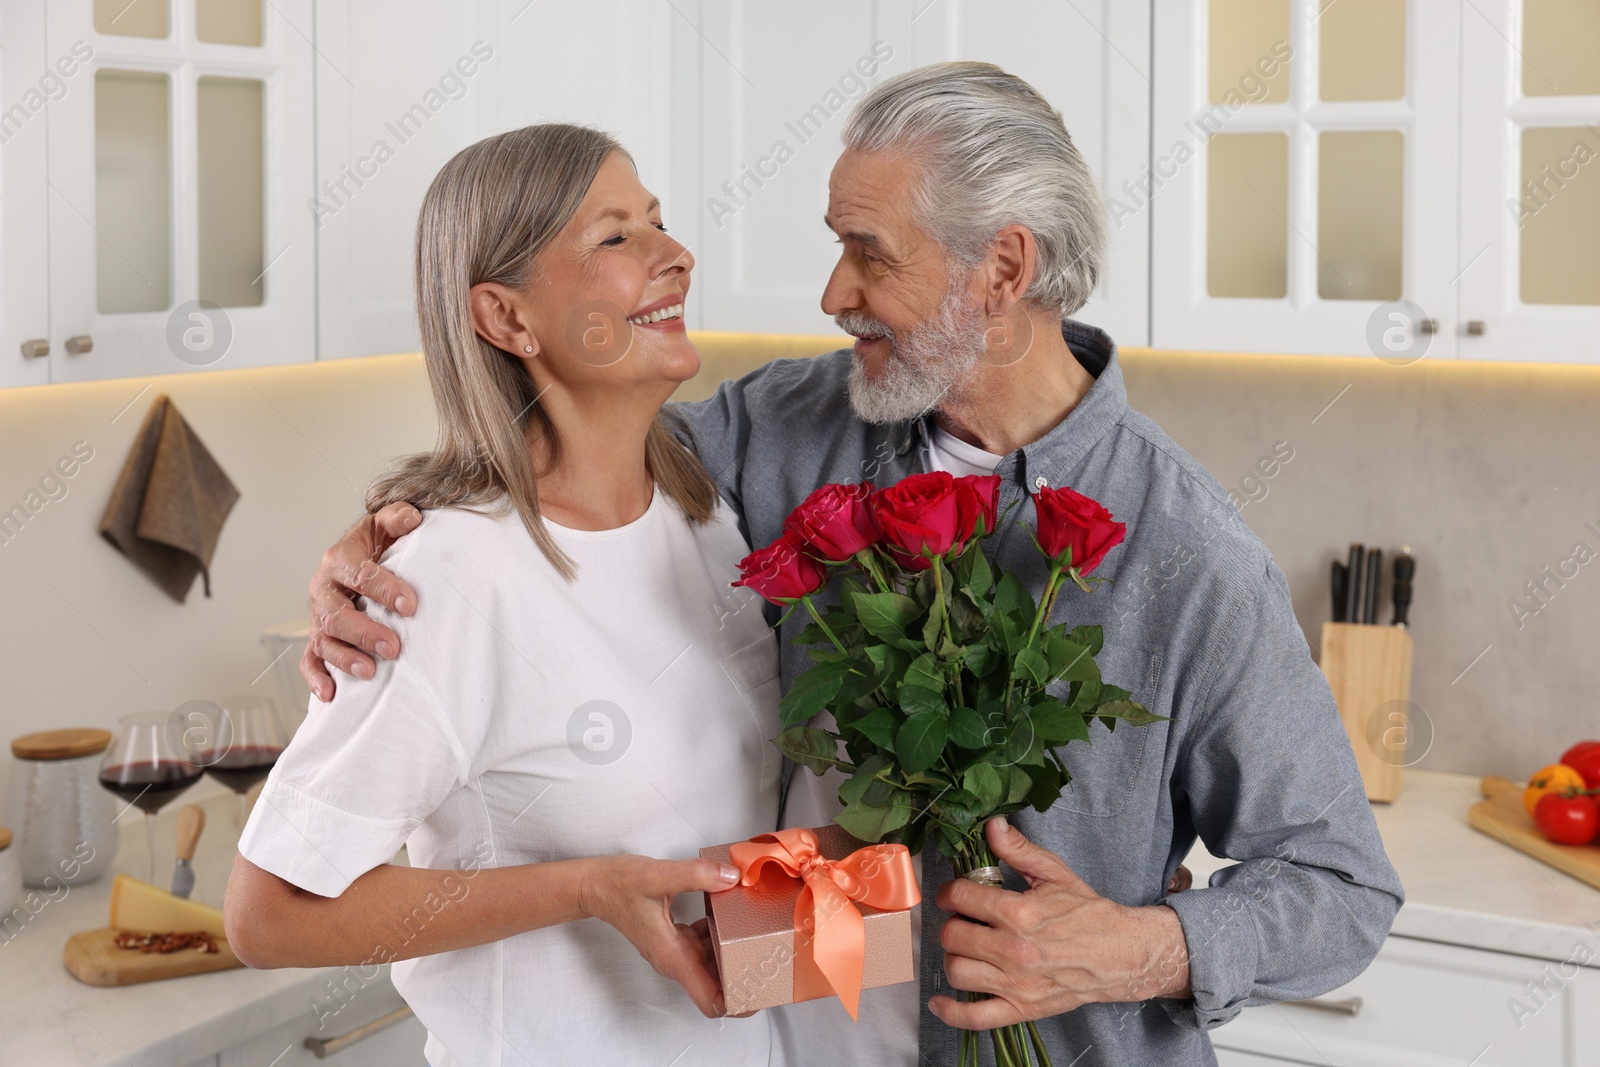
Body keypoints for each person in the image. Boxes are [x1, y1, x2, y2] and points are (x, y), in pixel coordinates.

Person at [300, 62, 1405, 1066]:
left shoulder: (1186, 550)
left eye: (868, 252)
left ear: (1001, 267)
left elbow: (1341, 887)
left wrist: (1139, 947)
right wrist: (400, 523)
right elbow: (562, 463)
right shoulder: (783, 428)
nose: (832, 293)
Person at [224, 123, 789, 1067]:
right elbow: (271, 912)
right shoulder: (447, 578)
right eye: (616, 237)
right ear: (507, 319)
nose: (676, 255)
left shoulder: (707, 518)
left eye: (658, 222)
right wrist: (583, 889)